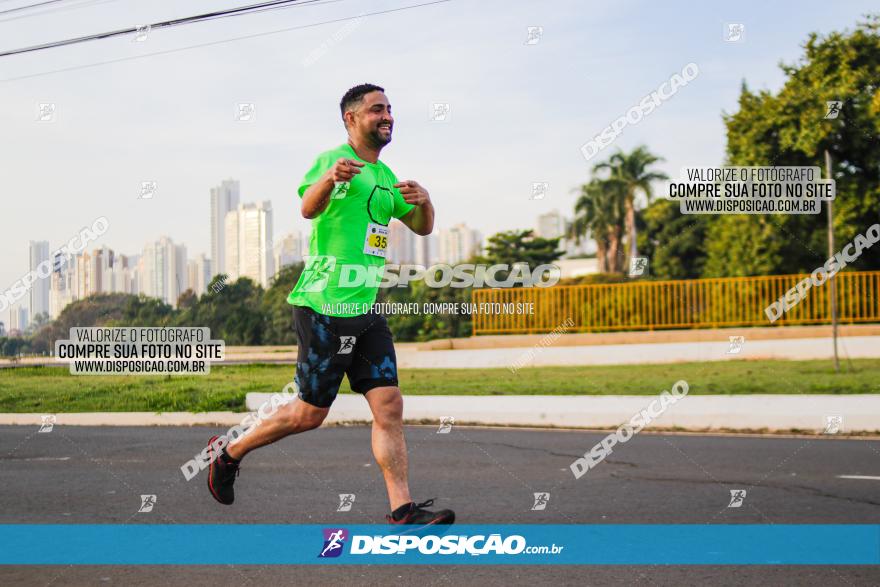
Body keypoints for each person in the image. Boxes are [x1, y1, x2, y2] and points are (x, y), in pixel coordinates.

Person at [205, 83, 454, 526]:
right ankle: (229, 453)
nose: (387, 116)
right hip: (324, 304)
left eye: (390, 109)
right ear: (352, 119)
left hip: (366, 309)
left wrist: (426, 201)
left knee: (390, 403)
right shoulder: (334, 160)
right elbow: (307, 207)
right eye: (377, 109)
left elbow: (422, 228)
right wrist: (329, 178)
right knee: (308, 414)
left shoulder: (386, 176)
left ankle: (402, 509)